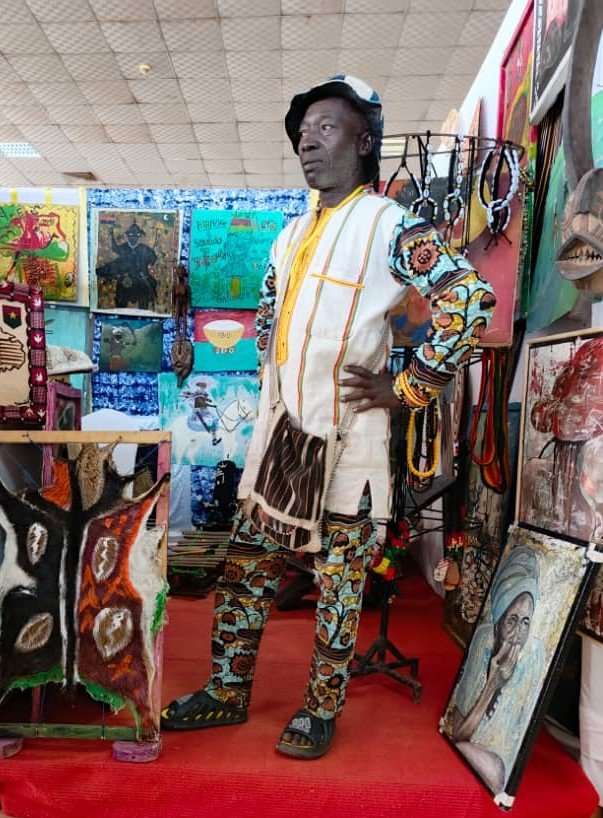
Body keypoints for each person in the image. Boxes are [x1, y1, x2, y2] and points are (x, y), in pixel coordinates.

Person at [161, 75, 496, 759]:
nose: (307, 141)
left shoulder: (391, 225)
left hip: (351, 441)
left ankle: (319, 710)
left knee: (340, 584)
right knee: (246, 565)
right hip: (283, 436)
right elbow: (266, 315)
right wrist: (274, 374)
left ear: (364, 141)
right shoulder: (290, 235)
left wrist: (408, 385)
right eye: (303, 130)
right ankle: (227, 692)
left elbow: (469, 300)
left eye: (326, 127)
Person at [449, 546, 545, 793]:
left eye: (525, 622)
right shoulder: (484, 640)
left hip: (498, 763)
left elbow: (510, 749)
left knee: (496, 771)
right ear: (499, 620)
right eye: (511, 620)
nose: (516, 635)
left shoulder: (534, 656)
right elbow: (458, 733)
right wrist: (492, 685)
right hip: (473, 747)